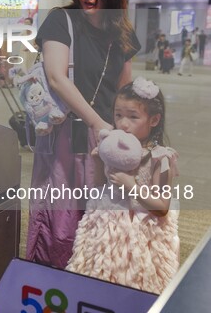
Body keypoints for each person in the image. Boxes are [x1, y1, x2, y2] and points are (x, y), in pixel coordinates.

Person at [25, 0, 140, 269]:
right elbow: (57, 78)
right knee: (61, 218)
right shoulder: (61, 20)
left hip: (105, 142)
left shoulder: (123, 33)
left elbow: (123, 93)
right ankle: (55, 285)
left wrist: (127, 133)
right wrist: (98, 124)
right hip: (69, 133)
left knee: (102, 217)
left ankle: (92, 282)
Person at [67, 77, 179, 295]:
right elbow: (98, 188)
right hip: (108, 224)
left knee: (135, 278)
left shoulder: (159, 158)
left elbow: (161, 207)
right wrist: (99, 162)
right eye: (118, 115)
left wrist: (132, 185)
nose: (123, 124)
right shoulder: (113, 147)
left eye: (133, 117)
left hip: (140, 232)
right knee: (100, 269)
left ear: (154, 120)